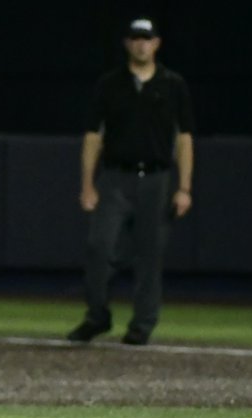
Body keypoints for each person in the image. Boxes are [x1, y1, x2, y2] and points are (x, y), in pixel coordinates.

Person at [68, 18, 195, 346]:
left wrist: (184, 188)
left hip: (156, 178)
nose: (141, 44)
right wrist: (87, 183)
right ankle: (97, 316)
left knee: (150, 255)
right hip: (115, 177)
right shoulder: (110, 84)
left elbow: (184, 138)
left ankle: (142, 325)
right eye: (136, 38)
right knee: (99, 247)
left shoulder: (172, 84)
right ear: (127, 43)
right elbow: (93, 136)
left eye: (147, 39)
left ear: (157, 43)